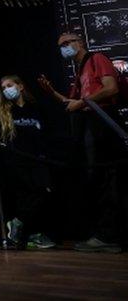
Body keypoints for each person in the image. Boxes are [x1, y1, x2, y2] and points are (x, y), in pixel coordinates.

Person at [38, 32, 124, 253]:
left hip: (104, 123)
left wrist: (83, 102)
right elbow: (71, 103)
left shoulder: (97, 59)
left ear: (80, 42)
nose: (64, 47)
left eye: (68, 42)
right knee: (96, 179)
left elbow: (111, 88)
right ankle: (104, 234)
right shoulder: (79, 73)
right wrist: (52, 93)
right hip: (90, 127)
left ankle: (109, 236)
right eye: (60, 45)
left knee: (108, 179)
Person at [0, 75, 56, 249]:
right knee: (25, 197)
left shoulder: (36, 108)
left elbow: (47, 134)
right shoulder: (5, 111)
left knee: (43, 193)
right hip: (16, 162)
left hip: (38, 160)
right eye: (3, 88)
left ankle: (17, 224)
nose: (6, 90)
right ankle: (31, 236)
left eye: (9, 85)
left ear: (20, 86)